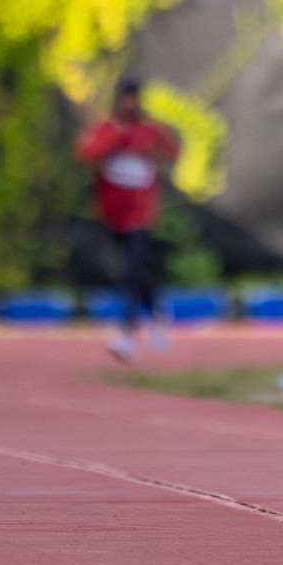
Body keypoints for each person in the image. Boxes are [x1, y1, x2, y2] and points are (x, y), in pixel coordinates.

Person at [77, 80, 181, 362]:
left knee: (133, 270)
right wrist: (115, 141)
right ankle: (157, 309)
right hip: (112, 214)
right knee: (135, 271)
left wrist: (153, 151)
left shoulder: (150, 130)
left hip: (142, 214)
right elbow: (85, 153)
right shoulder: (106, 128)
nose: (129, 105)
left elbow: (172, 153)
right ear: (118, 100)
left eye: (134, 99)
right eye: (125, 99)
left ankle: (126, 337)